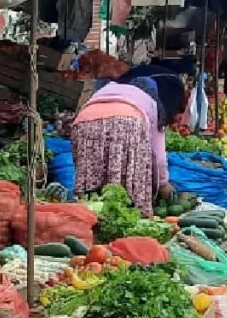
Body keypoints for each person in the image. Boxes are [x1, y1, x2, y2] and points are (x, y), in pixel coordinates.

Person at [71, 78, 172, 216]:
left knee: (92, 173)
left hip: (84, 122)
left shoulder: (108, 89)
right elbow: (158, 152)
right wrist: (163, 183)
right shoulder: (150, 102)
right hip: (127, 121)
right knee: (131, 174)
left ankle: (87, 215)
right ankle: (128, 215)